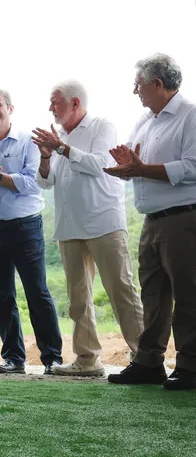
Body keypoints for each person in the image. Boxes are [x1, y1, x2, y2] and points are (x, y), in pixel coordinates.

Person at [33, 80, 144, 377]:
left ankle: (145, 357)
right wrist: (46, 155)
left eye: (55, 101)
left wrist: (60, 148)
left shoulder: (102, 127)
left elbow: (98, 165)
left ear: (75, 103)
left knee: (121, 292)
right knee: (78, 300)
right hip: (69, 227)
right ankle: (87, 359)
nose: (50, 107)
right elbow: (45, 182)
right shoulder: (58, 138)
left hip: (103, 223)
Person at [105, 53, 196, 389]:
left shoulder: (190, 116)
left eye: (138, 85)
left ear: (157, 84)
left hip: (183, 218)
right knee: (153, 295)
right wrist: (127, 167)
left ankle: (190, 366)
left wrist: (142, 169)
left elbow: (192, 167)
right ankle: (149, 363)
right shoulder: (145, 120)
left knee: (188, 293)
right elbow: (136, 163)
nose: (135, 91)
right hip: (152, 220)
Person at [0, 89, 63, 374]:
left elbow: (32, 183)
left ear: (10, 109)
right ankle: (14, 359)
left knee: (37, 293)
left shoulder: (28, 142)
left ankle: (52, 358)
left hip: (25, 228)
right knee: (1, 298)